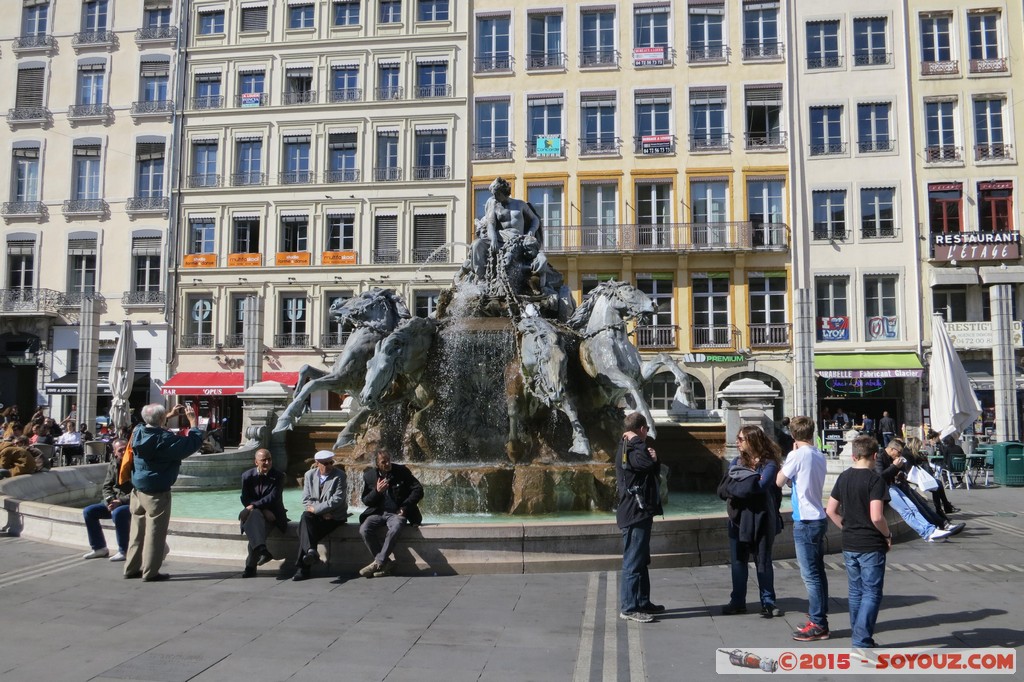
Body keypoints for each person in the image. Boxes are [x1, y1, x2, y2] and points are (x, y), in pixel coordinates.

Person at [124, 403, 204, 582]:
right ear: (161, 420)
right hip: (157, 492)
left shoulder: (137, 431)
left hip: (137, 489)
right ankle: (150, 572)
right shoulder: (165, 439)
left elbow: (150, 423)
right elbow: (191, 444)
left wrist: (167, 415)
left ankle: (130, 568)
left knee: (136, 531)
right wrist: (193, 424)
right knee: (155, 533)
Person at [825, 435, 891, 650]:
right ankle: (862, 641)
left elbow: (830, 510)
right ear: (874, 455)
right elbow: (876, 517)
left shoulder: (843, 477)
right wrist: (887, 535)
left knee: (855, 591)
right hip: (870, 543)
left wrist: (846, 527)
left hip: (849, 542)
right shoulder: (875, 480)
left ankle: (859, 633)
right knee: (871, 592)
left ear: (853, 456)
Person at [718, 425, 784, 618]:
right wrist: (747, 484)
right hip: (738, 518)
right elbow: (725, 488)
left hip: (762, 518)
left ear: (753, 441)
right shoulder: (736, 461)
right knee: (738, 561)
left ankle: (768, 602)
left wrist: (739, 486)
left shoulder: (769, 464)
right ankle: (737, 601)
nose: (737, 442)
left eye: (741, 439)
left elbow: (761, 487)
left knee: (763, 560)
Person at [776, 415, 830, 641]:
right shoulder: (819, 454)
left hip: (805, 520)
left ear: (793, 435)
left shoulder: (797, 454)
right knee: (818, 571)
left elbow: (779, 481)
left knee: (810, 575)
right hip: (819, 516)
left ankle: (818, 624)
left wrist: (789, 456)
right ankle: (819, 617)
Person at [615, 411, 664, 623]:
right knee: (633, 563)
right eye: (644, 432)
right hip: (634, 512)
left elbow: (651, 467)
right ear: (642, 429)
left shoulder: (632, 448)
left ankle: (643, 601)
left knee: (641, 560)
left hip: (639, 511)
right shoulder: (631, 447)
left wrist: (654, 457)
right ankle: (629, 607)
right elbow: (645, 464)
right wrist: (638, 441)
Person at [877, 439, 962, 542]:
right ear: (891, 449)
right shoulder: (880, 457)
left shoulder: (892, 457)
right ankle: (929, 531)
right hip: (885, 489)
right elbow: (880, 477)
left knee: (914, 507)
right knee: (907, 511)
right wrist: (895, 467)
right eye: (898, 452)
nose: (899, 455)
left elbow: (894, 472)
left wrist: (899, 471)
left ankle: (932, 529)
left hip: (894, 486)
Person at [358, 450, 424, 579]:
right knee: (364, 529)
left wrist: (405, 506)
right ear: (377, 464)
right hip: (377, 512)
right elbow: (366, 501)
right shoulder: (369, 476)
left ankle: (378, 563)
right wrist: (377, 492)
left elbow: (418, 489)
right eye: (384, 462)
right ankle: (385, 563)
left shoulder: (401, 471)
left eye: (389, 460)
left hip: (396, 513)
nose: (388, 463)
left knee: (396, 527)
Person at [468, 176, 543, 281]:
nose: (494, 196)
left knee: (512, 258)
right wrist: (493, 239)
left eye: (496, 194)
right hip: (500, 238)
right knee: (477, 244)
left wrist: (531, 231)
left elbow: (535, 219)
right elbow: (491, 224)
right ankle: (480, 279)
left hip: (518, 239)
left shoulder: (520, 204)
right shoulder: (494, 206)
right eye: (493, 194)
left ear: (503, 192)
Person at [293, 450, 348, 581]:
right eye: (325, 463)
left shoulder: (340, 476)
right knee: (305, 518)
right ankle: (311, 552)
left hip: (334, 517)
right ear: (317, 463)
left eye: (331, 462)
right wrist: (321, 512)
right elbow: (306, 499)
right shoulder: (309, 475)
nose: (329, 465)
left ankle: (303, 567)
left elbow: (337, 499)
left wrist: (317, 510)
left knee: (303, 527)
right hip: (320, 515)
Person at [239, 448, 289, 578]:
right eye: (263, 460)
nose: (267, 462)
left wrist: (252, 507)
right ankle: (263, 551)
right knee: (255, 523)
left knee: (255, 531)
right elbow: (245, 497)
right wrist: (261, 509)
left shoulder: (278, 476)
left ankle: (251, 566)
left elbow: (273, 498)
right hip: (259, 513)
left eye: (269, 459)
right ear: (256, 462)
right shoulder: (247, 476)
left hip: (273, 515)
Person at [82, 439, 132, 562]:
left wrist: (120, 501)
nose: (124, 451)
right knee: (89, 511)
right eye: (120, 450)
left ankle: (124, 550)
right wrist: (109, 500)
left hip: (129, 503)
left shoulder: (135, 464)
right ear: (115, 453)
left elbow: (138, 490)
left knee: (118, 513)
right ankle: (99, 548)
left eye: (126, 448)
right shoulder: (113, 464)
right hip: (114, 502)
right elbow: (106, 486)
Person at [906, 436, 959, 514]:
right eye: (919, 447)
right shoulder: (908, 455)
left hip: (918, 477)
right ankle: (941, 507)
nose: (919, 448)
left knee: (938, 484)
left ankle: (943, 506)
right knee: (937, 485)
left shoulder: (911, 453)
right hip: (913, 479)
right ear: (915, 446)